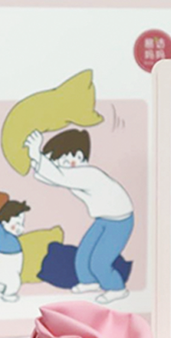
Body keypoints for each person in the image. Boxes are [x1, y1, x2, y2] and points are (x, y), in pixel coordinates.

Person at [25, 128, 133, 304]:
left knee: (99, 260)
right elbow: (52, 178)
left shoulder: (88, 174)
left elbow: (58, 176)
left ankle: (116, 288)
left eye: (72, 157)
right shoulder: (73, 175)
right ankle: (89, 281)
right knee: (84, 253)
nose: (69, 163)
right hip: (104, 219)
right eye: (62, 162)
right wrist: (36, 160)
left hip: (119, 222)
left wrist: (37, 155)